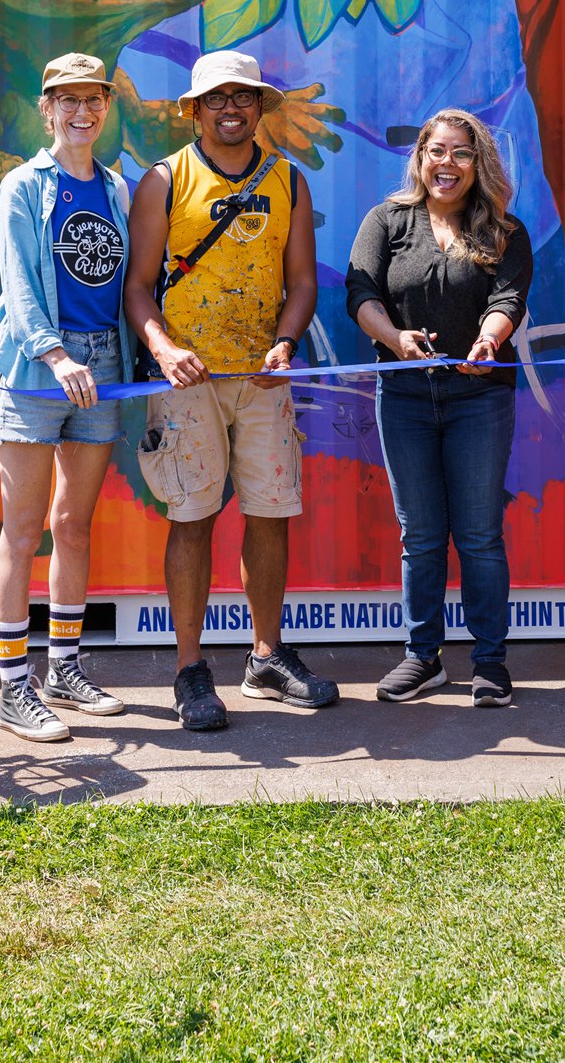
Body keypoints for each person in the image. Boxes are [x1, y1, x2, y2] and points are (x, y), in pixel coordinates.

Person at [124, 50, 337, 731]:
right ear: (194, 110)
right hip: (189, 381)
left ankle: (266, 657)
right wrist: (164, 348)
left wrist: (285, 343)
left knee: (270, 513)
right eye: (216, 99)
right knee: (192, 517)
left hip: (262, 379)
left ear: (260, 107)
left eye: (243, 97)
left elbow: (302, 282)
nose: (231, 109)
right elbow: (137, 287)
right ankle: (191, 671)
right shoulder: (164, 181)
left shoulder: (289, 183)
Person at [346, 110, 532, 706]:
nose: (446, 164)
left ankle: (489, 663)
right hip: (403, 397)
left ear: (479, 164)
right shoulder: (386, 219)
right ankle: (422, 658)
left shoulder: (505, 230)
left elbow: (509, 297)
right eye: (436, 151)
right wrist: (395, 339)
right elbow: (361, 293)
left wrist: (490, 338)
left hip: (479, 396)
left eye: (461, 153)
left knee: (478, 535)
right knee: (420, 535)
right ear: (420, 157)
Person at [0, 53, 135, 744]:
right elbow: (18, 284)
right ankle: (13, 687)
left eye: (93, 100)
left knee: (73, 524)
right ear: (46, 110)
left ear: (106, 107)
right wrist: (53, 354)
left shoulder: (117, 188)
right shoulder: (23, 186)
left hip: (101, 364)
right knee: (22, 529)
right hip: (38, 368)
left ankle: (63, 670)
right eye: (67, 101)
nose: (82, 113)